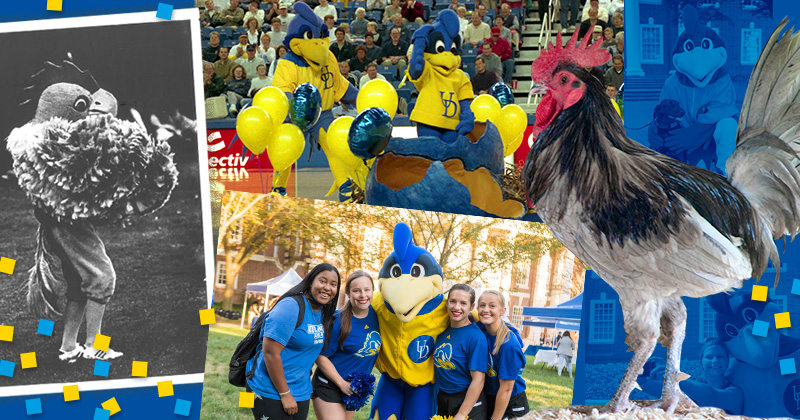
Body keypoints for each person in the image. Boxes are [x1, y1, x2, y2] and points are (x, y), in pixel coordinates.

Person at [246, 263, 341, 420]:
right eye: (322, 281)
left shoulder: (324, 313)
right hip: (269, 388)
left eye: (333, 284)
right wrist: (285, 394)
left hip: (301, 389)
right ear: (310, 281)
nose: (327, 288)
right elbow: (270, 353)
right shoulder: (290, 307)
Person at [311, 270, 381, 420]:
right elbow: (320, 356)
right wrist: (341, 383)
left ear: (373, 291)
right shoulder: (337, 321)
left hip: (354, 389)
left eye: (367, 290)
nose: (363, 295)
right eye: (356, 291)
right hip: (329, 385)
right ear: (348, 293)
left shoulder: (377, 316)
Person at [433, 284, 489, 420]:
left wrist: (462, 414)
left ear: (471, 307)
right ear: (447, 303)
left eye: (463, 303)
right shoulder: (441, 331)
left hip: (467, 402)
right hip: (443, 399)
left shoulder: (475, 337)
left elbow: (479, 379)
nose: (457, 307)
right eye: (453, 301)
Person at [477, 290, 529, 419]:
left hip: (510, 402)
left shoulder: (508, 345)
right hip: (490, 398)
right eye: (482, 305)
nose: (486, 309)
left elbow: (506, 389)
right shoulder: (482, 331)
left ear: (502, 311)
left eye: (492, 306)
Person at [680, 339, 744, 415]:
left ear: (728, 361)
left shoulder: (736, 393)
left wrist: (675, 377)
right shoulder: (691, 390)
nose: (715, 360)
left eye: (720, 356)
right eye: (709, 357)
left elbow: (711, 397)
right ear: (701, 362)